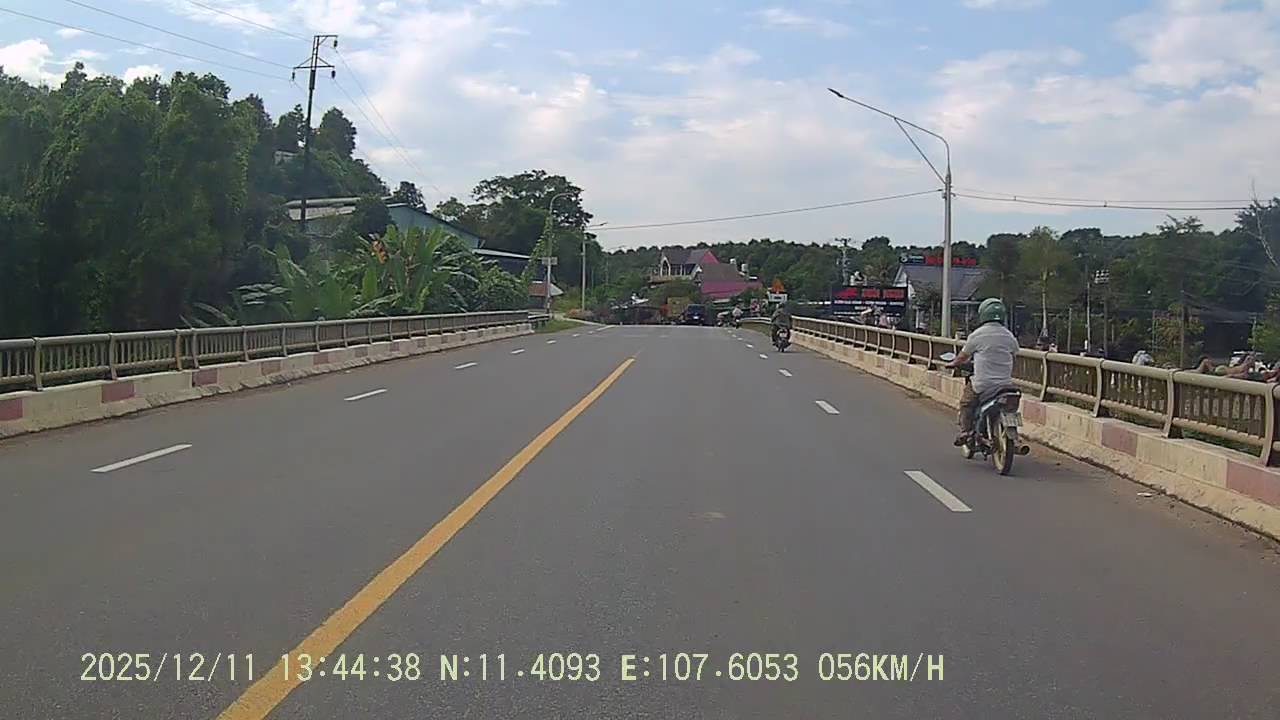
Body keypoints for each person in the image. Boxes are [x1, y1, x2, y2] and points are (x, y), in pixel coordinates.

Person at [945, 298, 1020, 446]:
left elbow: (962, 357)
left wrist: (953, 363)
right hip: (1005, 385)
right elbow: (1014, 354)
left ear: (983, 314)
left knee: (966, 403)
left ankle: (966, 432)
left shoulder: (977, 335)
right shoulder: (1009, 336)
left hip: (983, 385)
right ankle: (1013, 437)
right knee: (1011, 408)